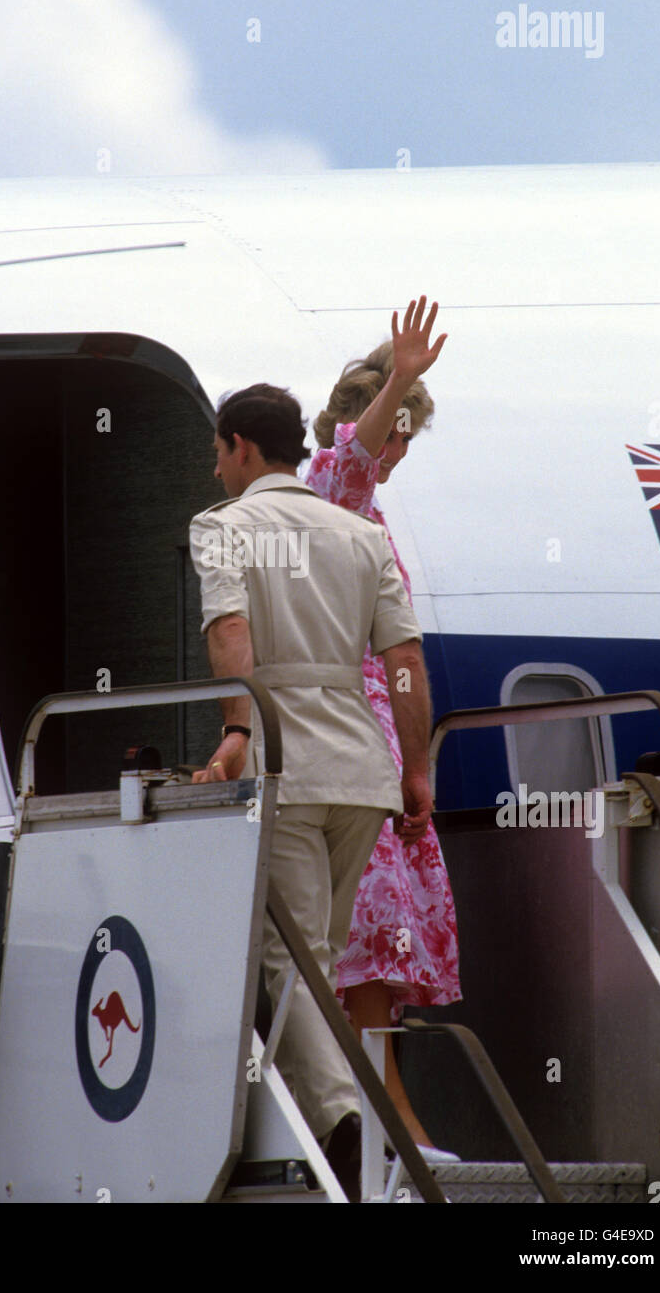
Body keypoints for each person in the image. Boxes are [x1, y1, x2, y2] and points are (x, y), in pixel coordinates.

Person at [188, 378, 435, 1200]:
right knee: (315, 959)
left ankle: (340, 1121)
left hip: (283, 765)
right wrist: (415, 768)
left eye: (219, 451)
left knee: (281, 958)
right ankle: (339, 1128)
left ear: (242, 450)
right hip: (362, 775)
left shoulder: (222, 527)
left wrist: (235, 731)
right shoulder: (360, 534)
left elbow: (230, 632)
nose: (215, 467)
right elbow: (403, 661)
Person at [306, 296, 461, 1159]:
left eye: (407, 438)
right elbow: (355, 457)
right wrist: (399, 377)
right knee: (365, 933)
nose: (398, 454)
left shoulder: (367, 510)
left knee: (377, 945)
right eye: (399, 435)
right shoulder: (334, 483)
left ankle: (391, 1125)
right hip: (347, 739)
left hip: (372, 740)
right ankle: (392, 1134)